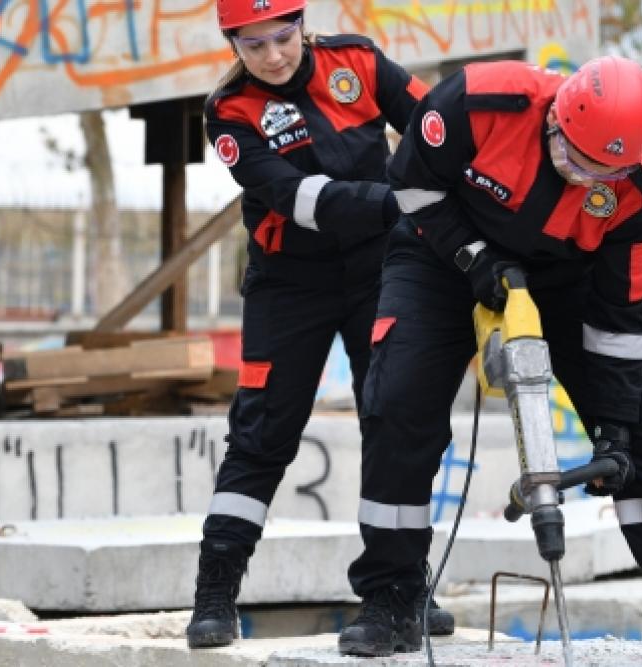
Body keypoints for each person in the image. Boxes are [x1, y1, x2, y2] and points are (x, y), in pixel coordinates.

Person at [338, 55, 642, 666]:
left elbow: (621, 317)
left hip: (566, 278)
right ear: (556, 115)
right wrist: (475, 260)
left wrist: (613, 425)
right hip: (440, 254)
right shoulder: (481, 101)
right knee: (400, 401)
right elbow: (411, 184)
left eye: (601, 172)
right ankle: (392, 599)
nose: (583, 175)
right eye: (574, 156)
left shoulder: (639, 192)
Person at [185, 0, 455, 650]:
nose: (272, 56)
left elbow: (438, 127)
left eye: (281, 37)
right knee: (262, 433)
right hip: (289, 282)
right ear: (233, 45)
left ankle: (404, 585)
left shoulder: (357, 61)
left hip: (381, 273)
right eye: (252, 46)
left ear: (301, 23)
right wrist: (404, 202)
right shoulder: (230, 114)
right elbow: (300, 198)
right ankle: (214, 592)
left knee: (391, 420)